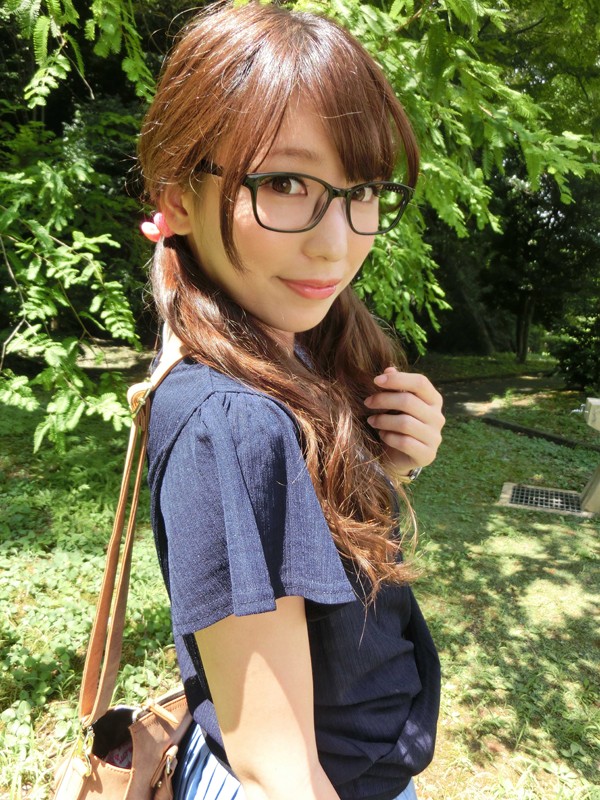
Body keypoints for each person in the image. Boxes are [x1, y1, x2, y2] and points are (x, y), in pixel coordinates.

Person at [138, 3, 445, 799]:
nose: (337, 243)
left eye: (362, 190)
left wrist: (392, 465)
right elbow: (280, 772)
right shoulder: (230, 419)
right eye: (283, 183)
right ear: (178, 194)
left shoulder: (298, 352)